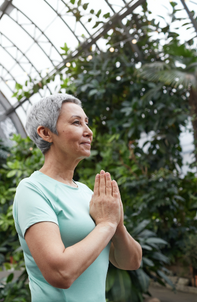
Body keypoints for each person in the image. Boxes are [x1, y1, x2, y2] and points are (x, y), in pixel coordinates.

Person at [13, 93, 142, 301]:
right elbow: (60, 274)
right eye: (76, 122)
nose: (89, 132)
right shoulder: (32, 190)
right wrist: (106, 225)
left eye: (87, 123)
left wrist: (117, 225)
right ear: (46, 133)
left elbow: (131, 262)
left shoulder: (87, 193)